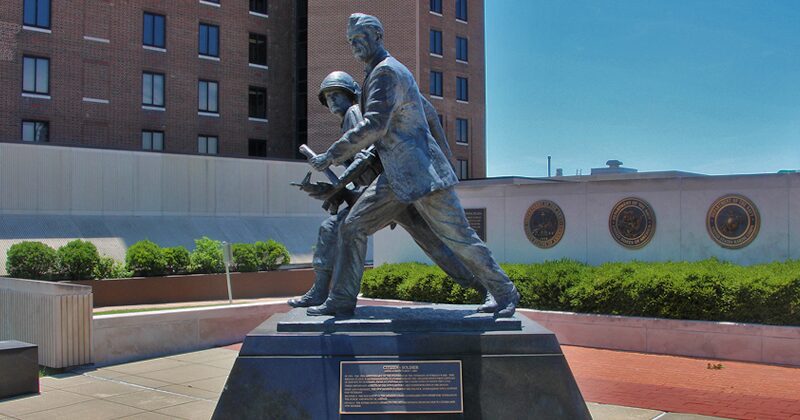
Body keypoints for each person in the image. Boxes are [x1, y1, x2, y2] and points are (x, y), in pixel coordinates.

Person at [307, 13, 519, 317]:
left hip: (422, 174)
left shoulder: (386, 73)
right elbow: (428, 113)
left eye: (360, 39)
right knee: (353, 226)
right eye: (351, 41)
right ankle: (341, 300)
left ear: (378, 37)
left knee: (458, 238)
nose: (354, 46)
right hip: (396, 176)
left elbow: (375, 125)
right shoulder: (377, 73)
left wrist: (330, 156)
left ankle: (503, 291)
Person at [290, 70, 478, 308]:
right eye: (327, 97)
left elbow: (367, 157)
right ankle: (482, 286)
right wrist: (333, 191)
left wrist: (335, 182)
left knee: (335, 229)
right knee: (435, 245)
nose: (332, 101)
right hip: (384, 191)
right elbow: (361, 179)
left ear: (351, 94)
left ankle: (327, 294)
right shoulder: (350, 118)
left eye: (337, 94)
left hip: (388, 190)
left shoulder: (354, 114)